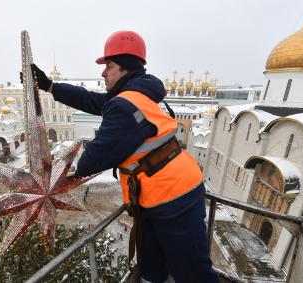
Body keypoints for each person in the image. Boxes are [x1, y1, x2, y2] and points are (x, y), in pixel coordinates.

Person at [23, 30, 218, 282]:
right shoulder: (141, 94)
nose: (103, 72)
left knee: (192, 272)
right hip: (160, 192)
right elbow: (94, 101)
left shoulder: (126, 106)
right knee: (152, 265)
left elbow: (90, 161)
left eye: (109, 66)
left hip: (172, 196)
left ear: (125, 68)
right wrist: (51, 86)